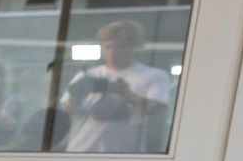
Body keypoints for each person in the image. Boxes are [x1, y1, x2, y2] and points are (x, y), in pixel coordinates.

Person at [59, 20, 171, 153]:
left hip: (124, 155)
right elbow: (68, 108)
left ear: (135, 48)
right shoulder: (87, 75)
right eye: (108, 46)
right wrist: (75, 95)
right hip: (82, 150)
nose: (112, 52)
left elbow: (154, 109)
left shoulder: (153, 75)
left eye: (120, 46)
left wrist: (128, 94)